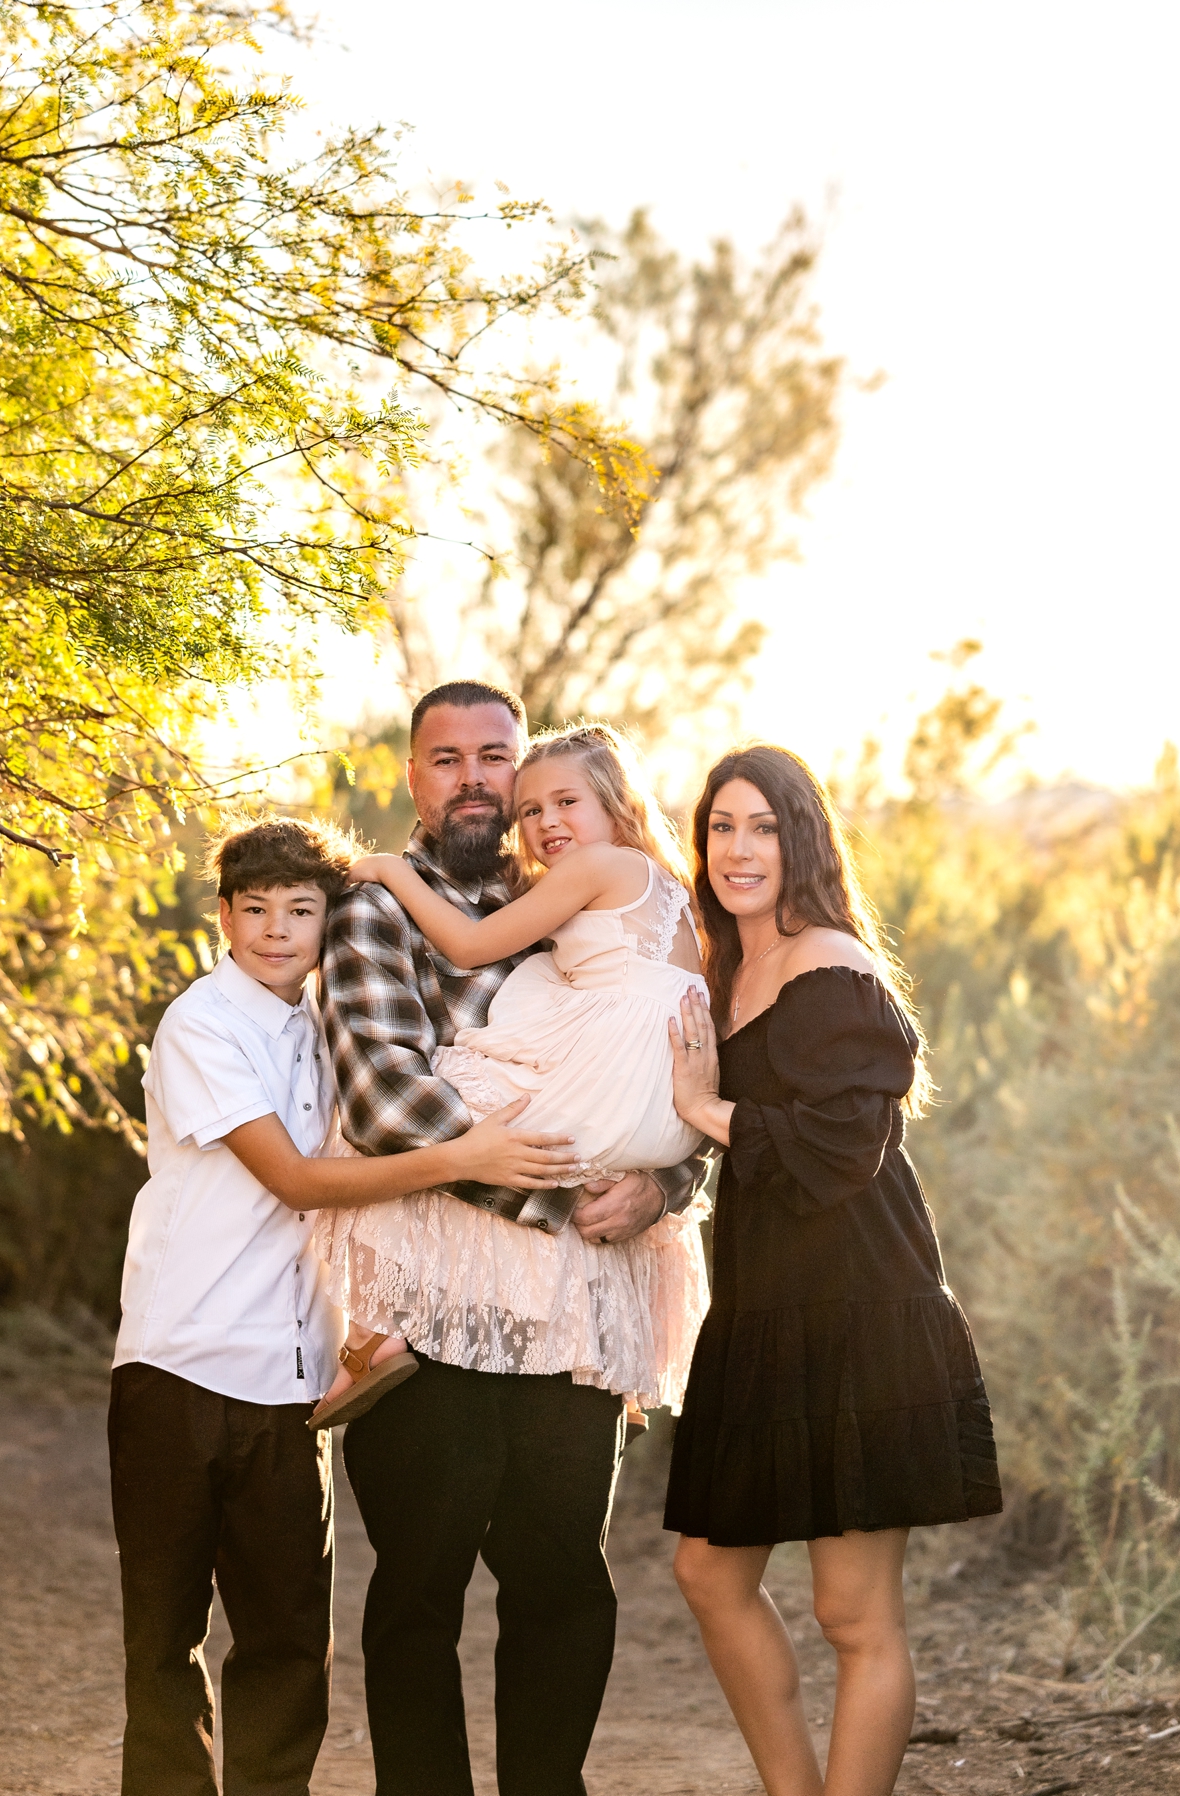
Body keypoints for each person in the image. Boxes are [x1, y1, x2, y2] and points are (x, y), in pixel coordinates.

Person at [107, 816, 576, 1796]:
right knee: (163, 1637)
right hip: (178, 1366)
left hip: (292, 1387)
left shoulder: (329, 1027)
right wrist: (463, 1156)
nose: (276, 929)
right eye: (255, 909)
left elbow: (370, 1167)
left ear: (331, 919)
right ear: (225, 915)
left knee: (287, 1648)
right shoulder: (202, 1023)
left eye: (301, 909)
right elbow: (294, 1178)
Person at [319, 681, 710, 1796]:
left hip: (574, 1311)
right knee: (420, 1585)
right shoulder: (376, 912)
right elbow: (388, 1099)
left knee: (560, 1578)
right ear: (414, 776)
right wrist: (569, 1199)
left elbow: (668, 1076)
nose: (476, 778)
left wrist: (664, 1181)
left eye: (497, 754)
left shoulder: (577, 898)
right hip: (437, 1298)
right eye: (448, 758)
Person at [662, 745, 1003, 1796]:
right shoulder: (727, 968)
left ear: (803, 839)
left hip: (860, 1309)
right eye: (722, 825)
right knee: (708, 1571)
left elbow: (842, 1147)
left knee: (853, 1613)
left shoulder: (829, 964)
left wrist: (703, 1109)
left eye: (763, 825)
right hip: (766, 1306)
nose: (738, 847)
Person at [310, 720, 711, 1434]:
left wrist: (391, 871)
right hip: (663, 1113)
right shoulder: (667, 885)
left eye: (566, 803)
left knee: (456, 1089)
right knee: (424, 1111)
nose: (545, 821)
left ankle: (374, 1327)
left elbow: (467, 944)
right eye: (531, 811)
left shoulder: (592, 870)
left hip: (613, 1097)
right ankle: (610, 1354)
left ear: (617, 804)